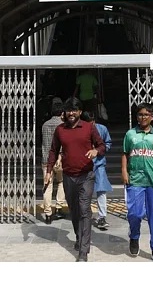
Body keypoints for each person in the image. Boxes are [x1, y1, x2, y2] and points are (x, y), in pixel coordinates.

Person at [45, 97, 106, 262]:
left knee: (84, 209)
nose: (71, 113)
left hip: (86, 175)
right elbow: (53, 150)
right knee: (74, 210)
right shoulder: (60, 130)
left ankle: (83, 251)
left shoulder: (88, 127)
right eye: (68, 110)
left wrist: (96, 151)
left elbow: (102, 145)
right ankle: (79, 237)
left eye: (74, 110)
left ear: (80, 111)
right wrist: (49, 171)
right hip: (68, 176)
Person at [121, 102, 153, 262]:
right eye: (140, 114)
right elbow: (125, 153)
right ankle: (134, 236)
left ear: (152, 117)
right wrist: (124, 171)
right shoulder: (130, 134)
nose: (143, 117)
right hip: (135, 179)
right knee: (135, 213)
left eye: (146, 115)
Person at [81, 110, 113, 231]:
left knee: (101, 190)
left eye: (93, 122)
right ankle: (85, 215)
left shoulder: (102, 129)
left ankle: (102, 217)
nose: (91, 125)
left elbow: (108, 143)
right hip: (84, 164)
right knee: (84, 191)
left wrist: (98, 151)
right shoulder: (79, 130)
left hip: (99, 164)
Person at [41, 98, 66, 224]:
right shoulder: (63, 125)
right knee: (61, 182)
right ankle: (59, 207)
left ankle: (47, 213)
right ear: (62, 113)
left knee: (48, 185)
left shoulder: (45, 125)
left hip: (46, 159)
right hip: (60, 160)